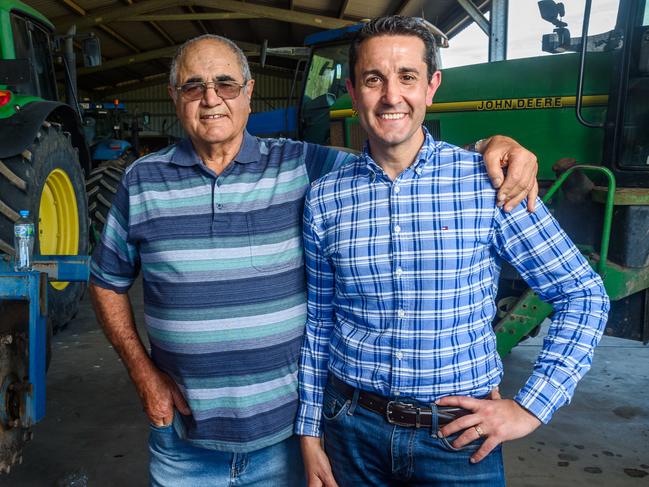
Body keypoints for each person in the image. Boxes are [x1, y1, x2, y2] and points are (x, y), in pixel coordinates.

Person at [89, 33, 539, 486]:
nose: (211, 99)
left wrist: (492, 149)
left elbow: (395, 157)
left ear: (248, 94)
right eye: (193, 86)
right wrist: (143, 374)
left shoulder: (303, 165)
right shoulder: (141, 180)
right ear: (174, 96)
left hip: (283, 442)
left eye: (226, 84)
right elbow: (107, 281)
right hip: (184, 442)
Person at [295, 15, 610, 487]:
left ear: (431, 86)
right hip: (350, 430)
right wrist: (310, 431)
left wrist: (530, 406)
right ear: (354, 91)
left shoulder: (486, 182)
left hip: (455, 440)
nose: (391, 96)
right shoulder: (325, 197)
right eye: (373, 79)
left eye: (407, 77)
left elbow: (582, 293)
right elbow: (320, 320)